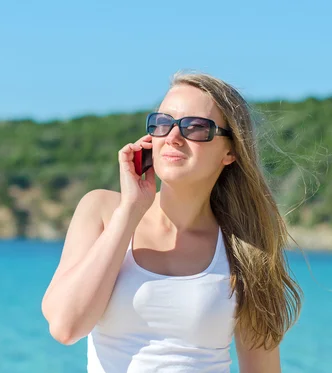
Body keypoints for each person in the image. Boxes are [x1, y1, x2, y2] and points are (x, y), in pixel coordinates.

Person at [41, 71, 303, 373]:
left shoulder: (246, 247)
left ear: (230, 150)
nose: (174, 137)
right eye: (163, 124)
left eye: (196, 127)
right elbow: (66, 327)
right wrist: (130, 211)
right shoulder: (102, 209)